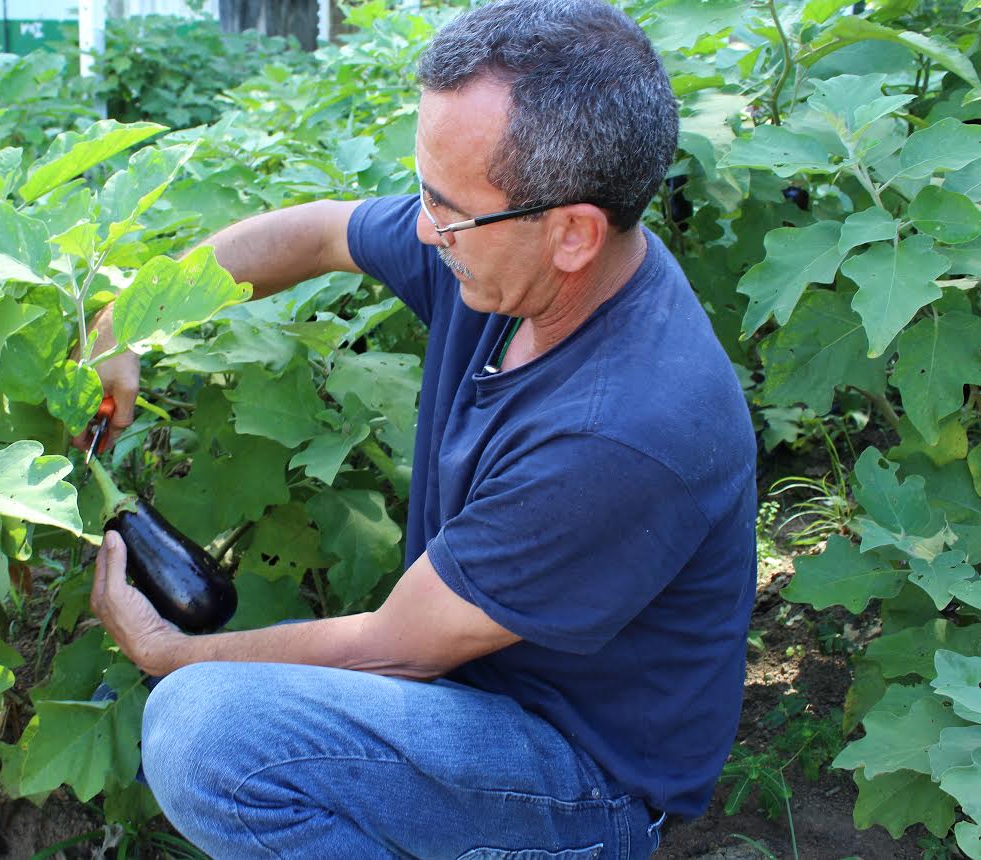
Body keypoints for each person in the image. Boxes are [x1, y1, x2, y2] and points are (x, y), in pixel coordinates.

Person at [81, 0, 757, 856]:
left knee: (205, 731)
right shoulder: (504, 257)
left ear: (574, 233)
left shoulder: (620, 434)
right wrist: (133, 318)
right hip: (478, 690)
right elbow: (322, 231)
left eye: (450, 208)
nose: (425, 227)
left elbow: (394, 650)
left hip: (583, 776)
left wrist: (162, 649)